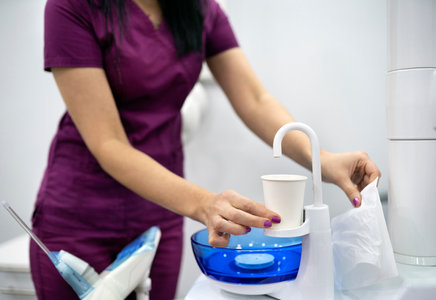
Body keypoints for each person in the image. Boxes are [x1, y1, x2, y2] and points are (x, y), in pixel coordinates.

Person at [30, 0, 381, 299]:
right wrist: (203, 203)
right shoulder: (72, 7)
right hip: (80, 215)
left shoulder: (199, 9)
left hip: (159, 210)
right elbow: (108, 144)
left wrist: (322, 160)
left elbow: (256, 101)